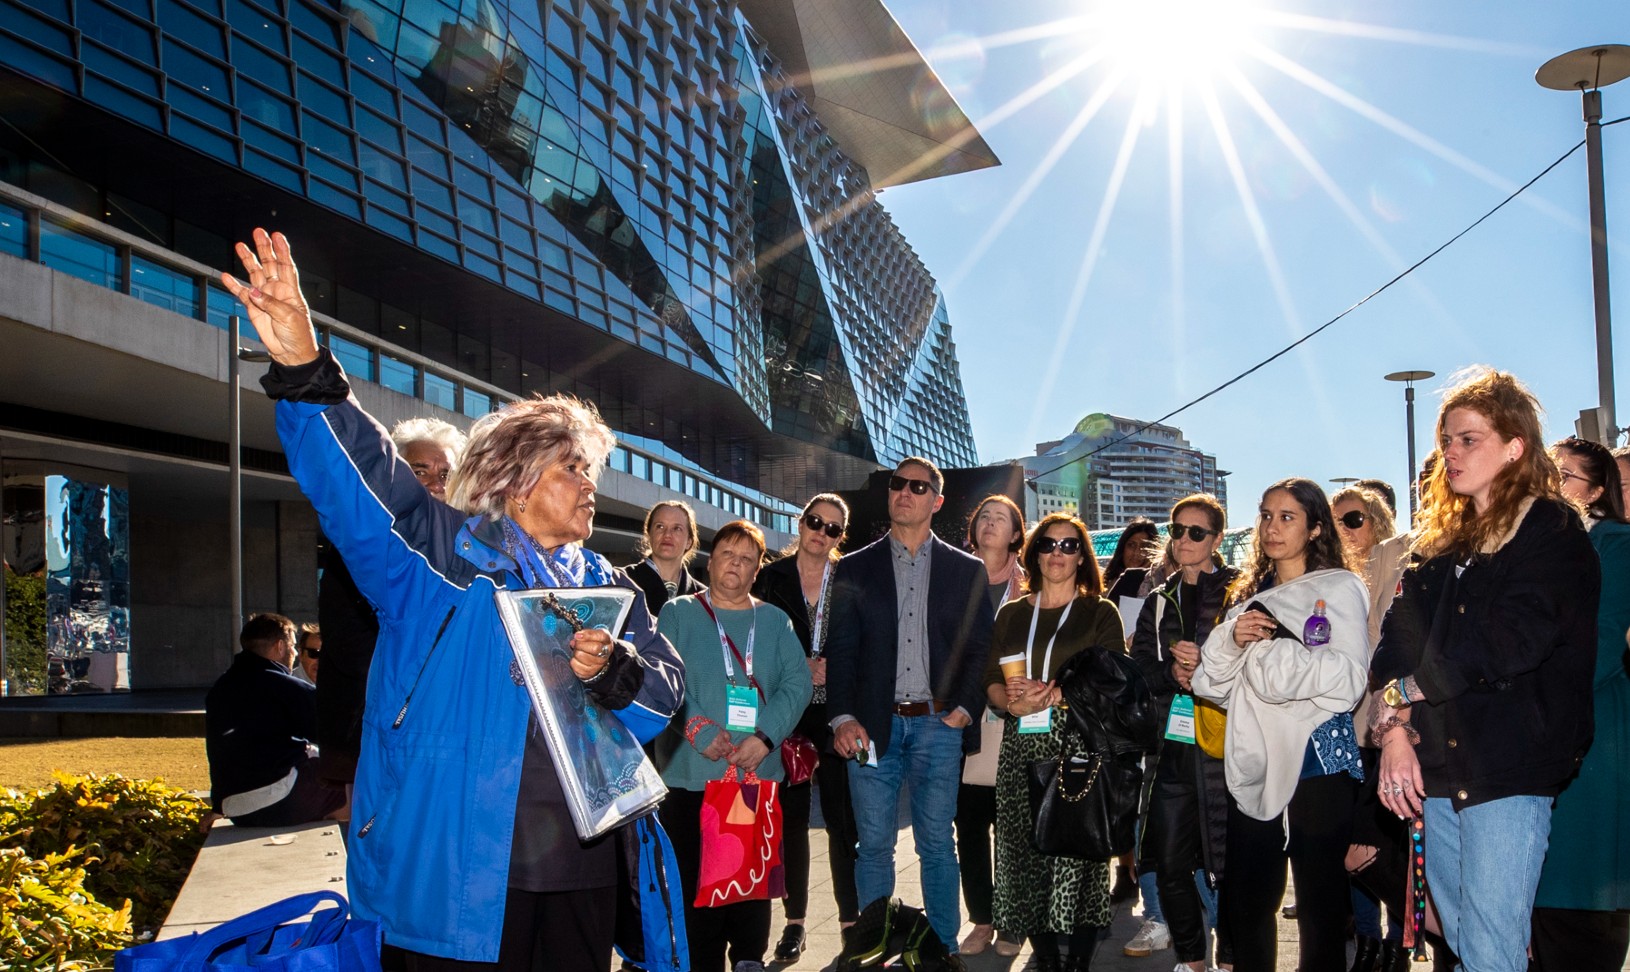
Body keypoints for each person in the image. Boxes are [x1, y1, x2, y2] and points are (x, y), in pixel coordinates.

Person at [220, 229, 686, 971]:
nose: (592, 486)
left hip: (586, 869)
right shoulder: (442, 557)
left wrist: (615, 671)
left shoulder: (611, 585)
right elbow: (364, 481)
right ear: (518, 478)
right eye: (575, 467)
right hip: (461, 877)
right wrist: (304, 368)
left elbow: (665, 699)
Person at [1370, 369, 1597, 972]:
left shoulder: (1550, 526)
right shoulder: (1438, 542)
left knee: (1493, 950)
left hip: (1509, 766)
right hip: (1439, 768)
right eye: (1446, 440)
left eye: (1468, 439)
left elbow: (1514, 640)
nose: (1450, 452)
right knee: (1467, 944)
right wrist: (1393, 732)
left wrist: (1405, 692)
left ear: (1515, 445)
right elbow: (1394, 642)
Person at [1191, 478, 1369, 972]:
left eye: (1287, 517)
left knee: (1321, 907)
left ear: (1316, 528)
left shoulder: (1340, 587)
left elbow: (1349, 679)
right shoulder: (1250, 596)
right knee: (1250, 900)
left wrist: (1272, 661)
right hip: (1257, 762)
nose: (1272, 527)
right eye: (1266, 515)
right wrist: (1231, 642)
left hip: (1319, 761)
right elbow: (1211, 686)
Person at [825, 457, 996, 956]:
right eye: (897, 483)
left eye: (918, 487)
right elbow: (842, 649)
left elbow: (979, 648)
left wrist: (966, 707)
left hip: (939, 726)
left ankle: (941, 952)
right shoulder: (855, 566)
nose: (905, 492)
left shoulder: (966, 570)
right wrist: (841, 716)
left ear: (936, 502)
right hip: (870, 731)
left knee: (937, 845)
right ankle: (875, 951)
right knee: (873, 846)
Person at [657, 519, 813, 972]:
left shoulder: (774, 621)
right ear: (712, 559)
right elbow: (666, 680)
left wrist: (765, 737)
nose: (736, 564)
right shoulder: (679, 613)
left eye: (747, 558)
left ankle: (748, 960)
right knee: (695, 890)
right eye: (728, 553)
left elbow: (796, 685)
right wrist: (700, 731)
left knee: (751, 888)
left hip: (754, 778)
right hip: (692, 779)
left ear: (757, 569)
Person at [986, 513, 1128, 972]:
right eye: (1048, 544)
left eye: (1070, 546)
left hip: (1077, 744)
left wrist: (1055, 694)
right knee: (1023, 853)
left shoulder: (1098, 612)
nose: (1057, 554)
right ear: (1034, 552)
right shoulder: (1011, 613)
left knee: (1080, 855)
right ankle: (1046, 957)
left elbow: (1112, 679)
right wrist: (1009, 705)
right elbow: (989, 679)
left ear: (1083, 557)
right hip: (1021, 745)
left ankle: (1079, 960)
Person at [315, 416, 465, 789]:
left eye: (446, 474)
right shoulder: (362, 543)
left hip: (437, 735)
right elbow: (350, 642)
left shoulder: (467, 546)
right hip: (370, 730)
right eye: (421, 471)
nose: (436, 484)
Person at [1530, 437, 1630, 972]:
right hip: (1542, 732)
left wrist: (1529, 709)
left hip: (1587, 736)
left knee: (1578, 896)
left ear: (1595, 492)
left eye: (1564, 474)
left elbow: (1603, 644)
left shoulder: (1613, 542)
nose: (1551, 481)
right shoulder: (1538, 540)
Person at [1129, 494, 1238, 972]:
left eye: (1197, 532)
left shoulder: (1240, 591)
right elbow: (1137, 675)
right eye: (1177, 530)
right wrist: (1170, 674)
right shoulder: (1158, 598)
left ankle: (1232, 958)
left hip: (1228, 745)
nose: (1185, 539)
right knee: (1170, 862)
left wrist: (1209, 668)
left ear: (1216, 538)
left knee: (1229, 863)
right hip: (1171, 748)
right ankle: (1193, 959)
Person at [751, 493, 859, 960]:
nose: (822, 532)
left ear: (841, 536)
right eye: (816, 521)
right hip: (787, 710)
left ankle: (851, 920)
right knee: (790, 822)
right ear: (800, 523)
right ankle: (795, 922)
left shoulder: (851, 578)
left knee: (841, 819)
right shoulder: (770, 578)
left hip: (837, 710)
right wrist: (801, 665)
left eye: (833, 528)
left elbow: (865, 641)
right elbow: (754, 642)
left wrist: (836, 667)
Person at [1330, 483, 1410, 971]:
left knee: (1392, 837)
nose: (1347, 530)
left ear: (1377, 521)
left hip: (1392, 723)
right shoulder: (1329, 576)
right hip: (1345, 727)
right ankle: (1367, 939)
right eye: (1338, 521)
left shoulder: (1396, 559)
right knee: (1353, 840)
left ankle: (1401, 941)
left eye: (1354, 519)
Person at [955, 495, 1027, 957]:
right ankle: (982, 919)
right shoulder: (954, 578)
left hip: (1017, 720)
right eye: (984, 517)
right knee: (971, 823)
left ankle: (1013, 921)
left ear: (1017, 535)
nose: (989, 524)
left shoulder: (1031, 586)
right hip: (963, 718)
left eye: (1000, 519)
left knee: (1014, 826)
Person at [205, 612, 346, 827]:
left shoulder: (220, 688)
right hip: (278, 801)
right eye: (291, 647)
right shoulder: (283, 686)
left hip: (235, 809)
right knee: (361, 787)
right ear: (280, 646)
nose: (293, 654)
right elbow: (334, 735)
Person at [627, 500, 705, 616]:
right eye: (660, 526)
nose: (667, 534)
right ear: (649, 535)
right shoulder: (623, 580)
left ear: (689, 541)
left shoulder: (703, 598)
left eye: (677, 528)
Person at [1104, 517, 1160, 604]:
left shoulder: (1159, 587)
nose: (1137, 553)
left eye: (1144, 547)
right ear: (1122, 548)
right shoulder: (1103, 587)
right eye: (1131, 545)